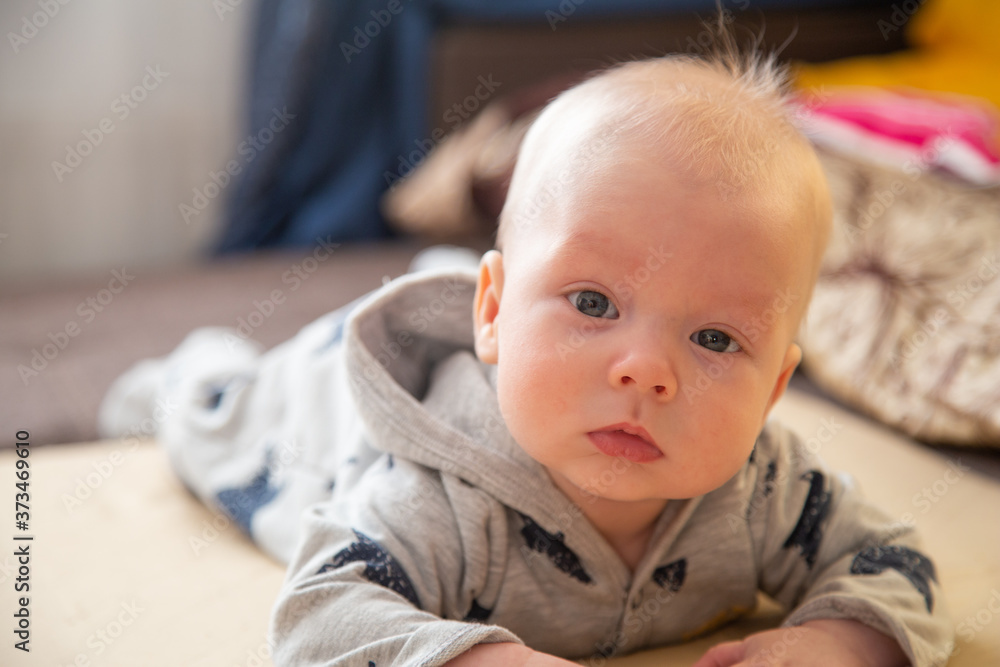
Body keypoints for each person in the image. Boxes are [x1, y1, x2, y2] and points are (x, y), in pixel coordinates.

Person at [99, 36, 953, 667]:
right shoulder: (437, 499)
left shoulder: (767, 490)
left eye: (715, 338)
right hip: (324, 404)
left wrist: (840, 642)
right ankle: (184, 374)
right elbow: (317, 616)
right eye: (594, 302)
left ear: (772, 390)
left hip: (501, 323)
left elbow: (896, 562)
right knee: (218, 415)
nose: (645, 369)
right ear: (495, 312)